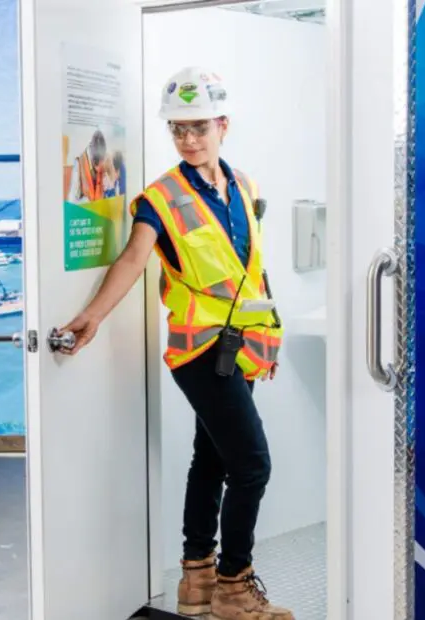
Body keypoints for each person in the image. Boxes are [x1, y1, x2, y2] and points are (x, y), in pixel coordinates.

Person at [58, 67, 292, 620]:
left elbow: (250, 272)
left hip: (242, 346)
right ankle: (234, 587)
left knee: (211, 458)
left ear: (222, 125)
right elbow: (133, 260)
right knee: (252, 465)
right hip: (200, 352)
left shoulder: (247, 188)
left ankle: (196, 580)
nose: (188, 139)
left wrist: (269, 339)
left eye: (198, 127)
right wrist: (91, 316)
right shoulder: (159, 198)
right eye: (177, 129)